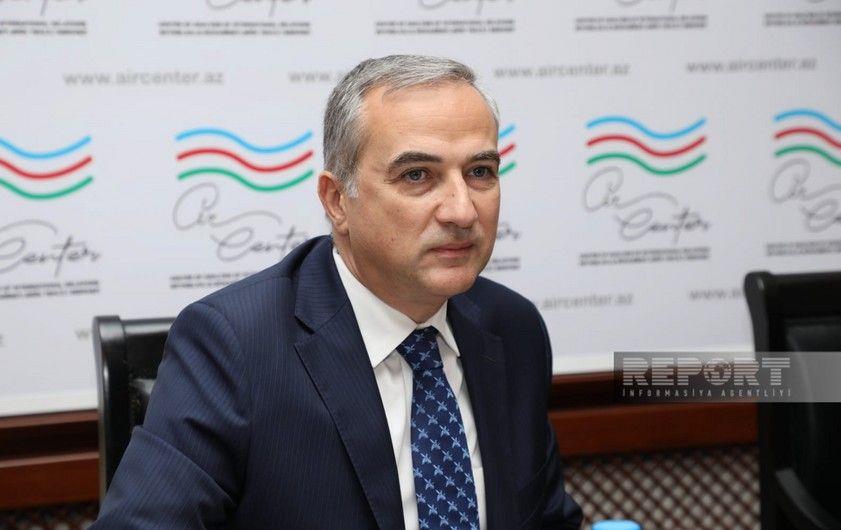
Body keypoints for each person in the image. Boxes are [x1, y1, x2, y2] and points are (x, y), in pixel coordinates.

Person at [92, 55, 583, 530]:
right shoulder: (233, 345)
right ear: (337, 201)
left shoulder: (512, 328)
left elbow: (547, 519)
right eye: (417, 175)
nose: (462, 210)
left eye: (480, 172)